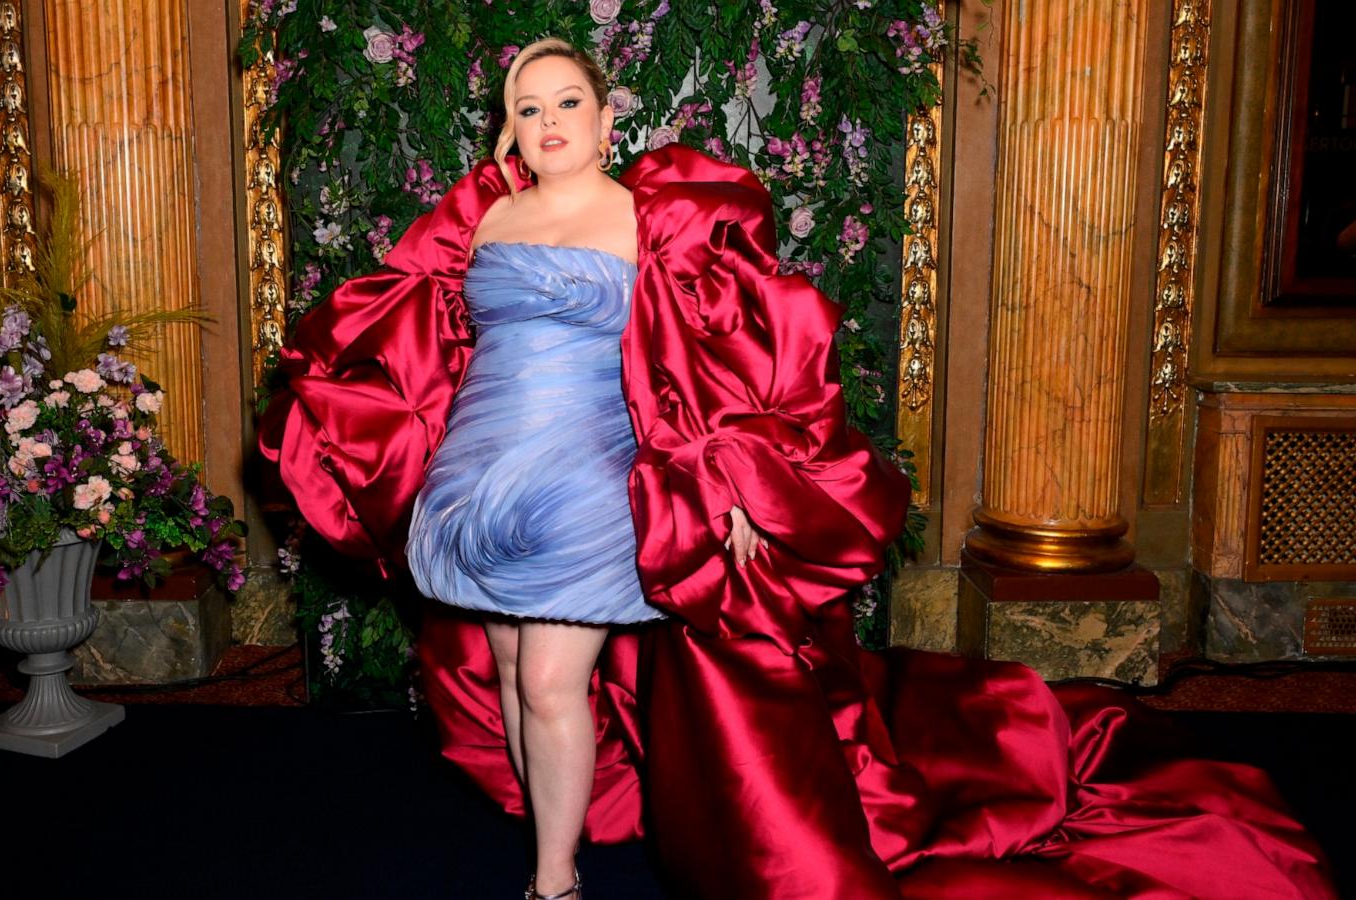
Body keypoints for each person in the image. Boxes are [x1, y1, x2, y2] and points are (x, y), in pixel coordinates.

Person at [261, 38, 1334, 900]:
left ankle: (555, 880)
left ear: (606, 113)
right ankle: (550, 812)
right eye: (529, 107)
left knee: (551, 680)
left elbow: (721, 357)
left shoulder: (652, 215)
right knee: (504, 673)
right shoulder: (483, 215)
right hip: (475, 475)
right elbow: (439, 343)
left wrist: (730, 488)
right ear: (510, 121)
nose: (547, 124)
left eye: (566, 103)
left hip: (584, 480)